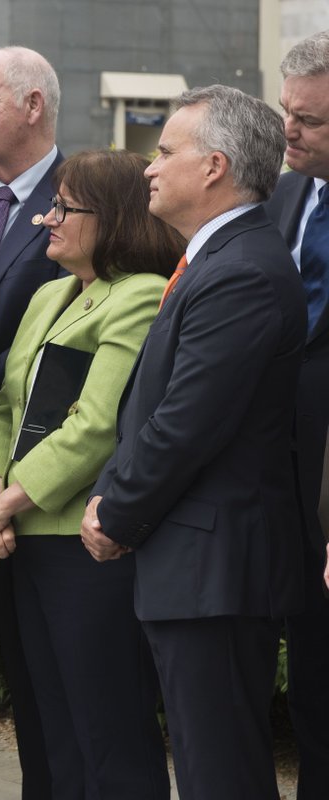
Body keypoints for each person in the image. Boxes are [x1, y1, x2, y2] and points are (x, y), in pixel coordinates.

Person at [81, 85, 304, 800]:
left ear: (214, 166)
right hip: (196, 563)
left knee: (221, 773)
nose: (150, 165)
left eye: (166, 151)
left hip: (216, 567)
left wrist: (115, 510)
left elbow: (185, 422)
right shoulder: (217, 259)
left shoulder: (240, 270)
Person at [0, 150, 183, 799]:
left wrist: (3, 506)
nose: (46, 217)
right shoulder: (47, 295)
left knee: (107, 732)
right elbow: (5, 407)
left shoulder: (141, 297)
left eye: (64, 207)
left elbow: (95, 425)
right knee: (49, 728)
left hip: (84, 547)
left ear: (112, 217)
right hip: (22, 535)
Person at [0, 44, 63, 800]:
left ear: (33, 106)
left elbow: (57, 356)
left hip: (28, 477)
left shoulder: (79, 200)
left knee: (39, 680)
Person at [264, 30, 329, 799]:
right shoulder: (281, 193)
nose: (290, 132)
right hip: (278, 455)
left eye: (309, 119)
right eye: (287, 112)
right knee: (303, 648)